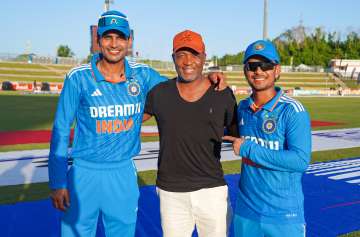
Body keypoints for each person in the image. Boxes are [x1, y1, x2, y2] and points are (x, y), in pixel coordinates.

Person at [48, 11, 226, 237]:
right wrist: (57, 181)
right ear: (98, 40)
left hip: (122, 171)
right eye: (107, 37)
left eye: (120, 38)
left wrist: (209, 76)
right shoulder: (78, 77)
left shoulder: (143, 75)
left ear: (129, 40)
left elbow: (178, 88)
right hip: (84, 172)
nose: (114, 44)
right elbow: (61, 129)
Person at [143, 30, 238, 237]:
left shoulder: (222, 94)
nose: (188, 61)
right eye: (181, 54)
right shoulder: (159, 94)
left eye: (194, 54)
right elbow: (129, 119)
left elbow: (238, 133)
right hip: (171, 193)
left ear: (204, 57)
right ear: (173, 58)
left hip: (211, 191)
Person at [223, 40, 311, 237]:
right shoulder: (243, 108)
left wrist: (249, 149)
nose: (259, 71)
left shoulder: (292, 110)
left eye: (266, 65)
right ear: (245, 70)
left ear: (277, 70)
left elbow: (300, 161)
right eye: (252, 66)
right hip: (246, 213)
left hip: (283, 216)